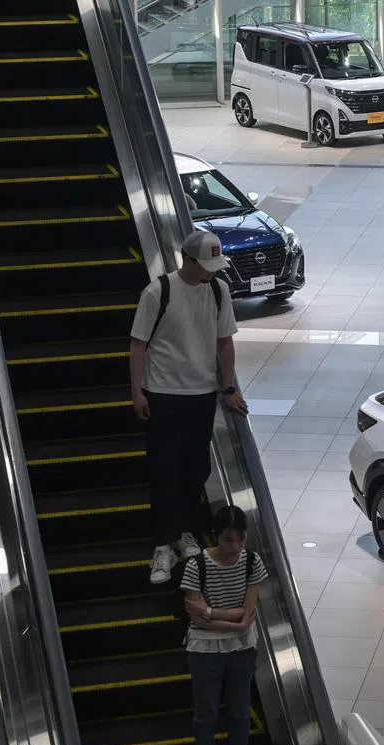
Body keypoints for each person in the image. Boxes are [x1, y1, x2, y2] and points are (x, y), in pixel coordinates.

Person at [129, 229, 248, 585]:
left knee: (195, 470)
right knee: (164, 469)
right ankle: (164, 544)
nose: (212, 271)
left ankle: (184, 533)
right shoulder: (158, 292)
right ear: (188, 259)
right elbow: (138, 345)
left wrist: (227, 387)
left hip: (201, 394)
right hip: (163, 394)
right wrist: (138, 394)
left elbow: (225, 342)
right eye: (206, 264)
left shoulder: (218, 290)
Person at [181, 505, 268, 745]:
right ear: (215, 536)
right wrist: (234, 623)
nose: (235, 546)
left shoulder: (252, 561)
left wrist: (209, 611)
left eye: (241, 538)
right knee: (206, 713)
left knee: (240, 711)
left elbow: (247, 611)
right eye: (228, 539)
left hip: (242, 647)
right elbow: (196, 617)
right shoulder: (196, 566)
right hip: (205, 649)